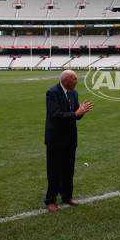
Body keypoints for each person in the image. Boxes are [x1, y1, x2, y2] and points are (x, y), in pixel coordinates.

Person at [44, 70, 93, 212]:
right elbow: (55, 115)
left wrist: (81, 112)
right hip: (55, 139)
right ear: (66, 80)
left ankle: (66, 196)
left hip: (70, 138)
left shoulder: (74, 93)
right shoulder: (52, 92)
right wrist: (75, 113)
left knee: (68, 170)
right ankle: (50, 200)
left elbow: (75, 116)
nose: (77, 82)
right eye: (74, 79)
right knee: (54, 171)